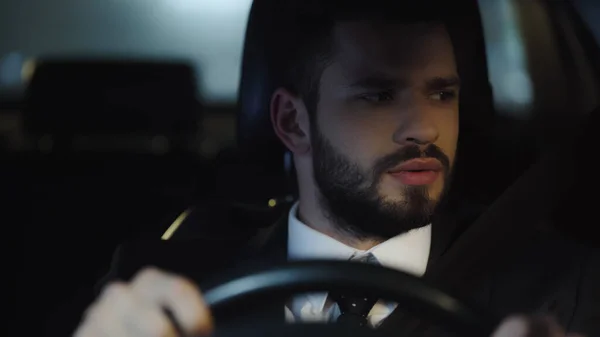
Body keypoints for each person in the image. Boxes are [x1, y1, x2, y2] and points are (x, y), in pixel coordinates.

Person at [72, 1, 598, 336]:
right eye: (377, 95)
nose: (425, 128)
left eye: (442, 93)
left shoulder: (559, 289)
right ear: (292, 122)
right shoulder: (159, 287)